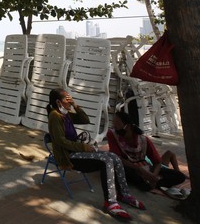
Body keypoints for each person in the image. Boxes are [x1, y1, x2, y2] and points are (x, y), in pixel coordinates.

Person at [47, 89, 145, 220]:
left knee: (114, 157)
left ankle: (124, 194)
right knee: (106, 161)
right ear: (58, 102)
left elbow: (84, 119)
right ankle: (110, 202)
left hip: (77, 151)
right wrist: (84, 147)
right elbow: (60, 141)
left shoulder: (65, 114)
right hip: (68, 155)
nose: (70, 102)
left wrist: (75, 105)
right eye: (67, 100)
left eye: (70, 99)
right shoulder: (54, 116)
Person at [107, 111, 187, 199]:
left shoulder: (143, 140)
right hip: (130, 167)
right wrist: (140, 169)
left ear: (128, 126)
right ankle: (151, 183)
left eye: (117, 124)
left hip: (146, 168)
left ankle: (151, 183)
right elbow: (117, 157)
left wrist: (153, 175)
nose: (114, 127)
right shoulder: (112, 134)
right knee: (119, 169)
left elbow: (157, 162)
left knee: (180, 176)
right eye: (113, 124)